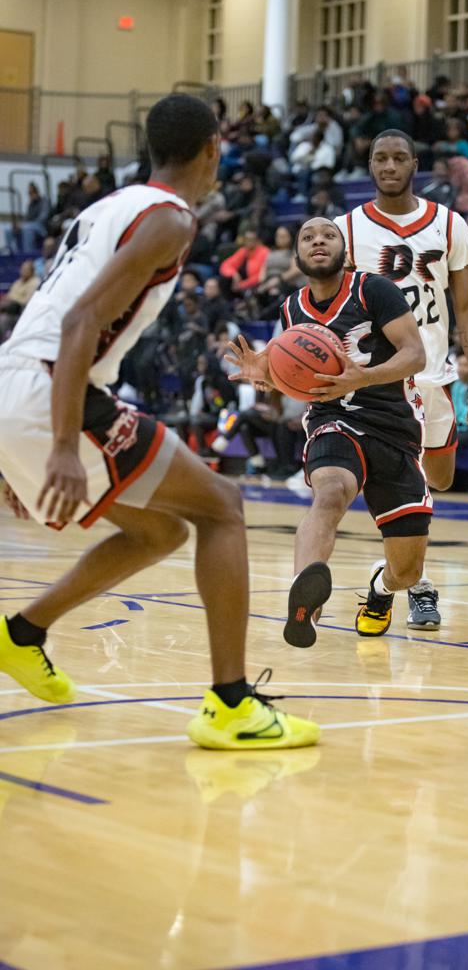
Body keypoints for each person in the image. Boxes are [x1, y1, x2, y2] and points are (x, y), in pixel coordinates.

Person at [0, 93, 318, 750]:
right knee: (223, 507)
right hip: (52, 385)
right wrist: (59, 443)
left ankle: (22, 635)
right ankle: (231, 704)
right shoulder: (170, 219)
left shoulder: (107, 206)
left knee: (159, 531)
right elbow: (79, 321)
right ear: (211, 148)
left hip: (19, 380)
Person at [227, 217, 429, 645]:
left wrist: (364, 378)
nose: (318, 240)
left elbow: (414, 355)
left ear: (344, 250)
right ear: (297, 256)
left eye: (328, 235)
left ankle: (380, 588)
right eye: (308, 237)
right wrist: (266, 375)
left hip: (393, 424)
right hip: (332, 419)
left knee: (407, 571)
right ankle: (305, 601)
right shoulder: (291, 308)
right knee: (331, 490)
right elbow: (296, 372)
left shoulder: (374, 290)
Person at [335, 129, 468, 626]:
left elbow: (465, 307)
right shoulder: (348, 230)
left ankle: (395, 572)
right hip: (380, 380)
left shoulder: (449, 225)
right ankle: (413, 583)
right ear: (370, 165)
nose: (389, 166)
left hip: (436, 374)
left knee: (440, 477)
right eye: (380, 158)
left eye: (399, 157)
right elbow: (331, 304)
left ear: (414, 164)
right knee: (407, 482)